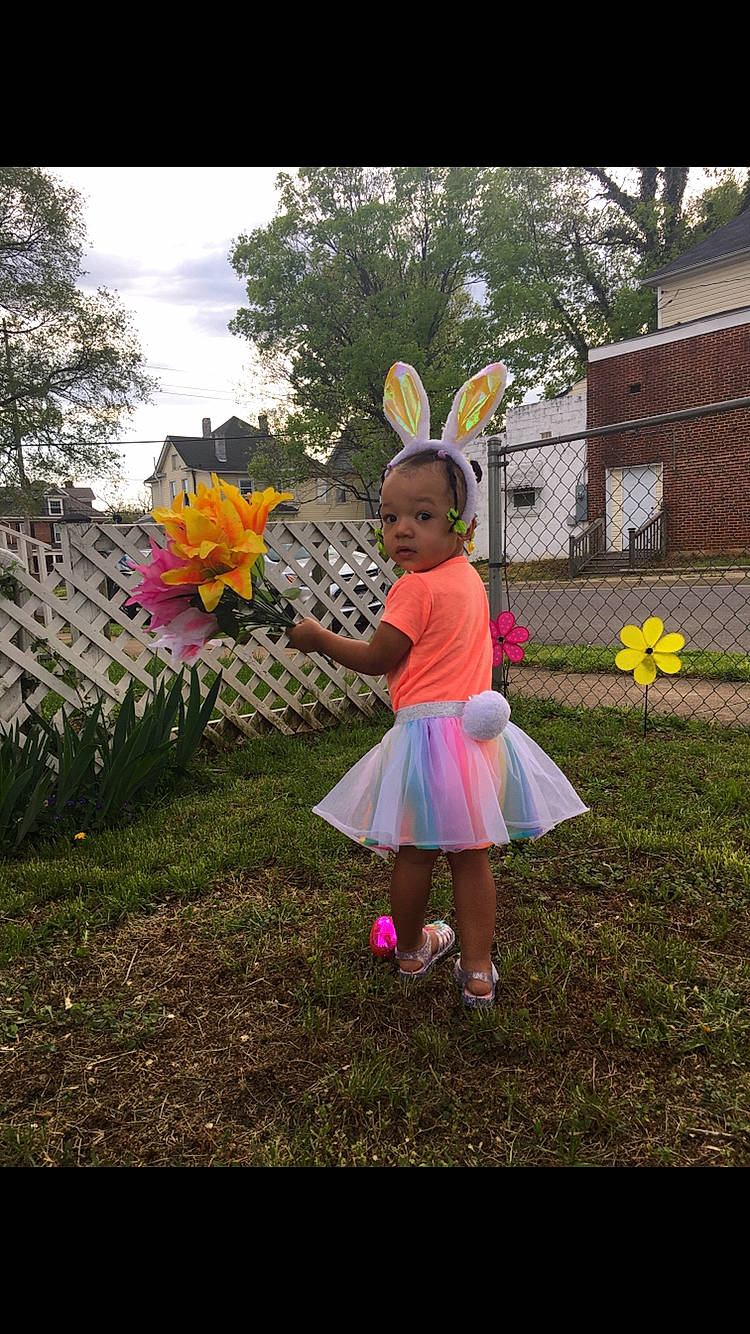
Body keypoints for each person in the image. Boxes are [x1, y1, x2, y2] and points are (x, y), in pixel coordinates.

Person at [287, 362, 587, 1006]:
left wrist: (317, 639)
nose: (401, 530)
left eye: (420, 516)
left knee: (417, 854)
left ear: (461, 521)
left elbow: (375, 657)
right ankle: (477, 969)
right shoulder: (469, 582)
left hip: (426, 743)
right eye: (391, 517)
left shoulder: (413, 589)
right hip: (479, 743)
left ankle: (413, 949)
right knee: (472, 857)